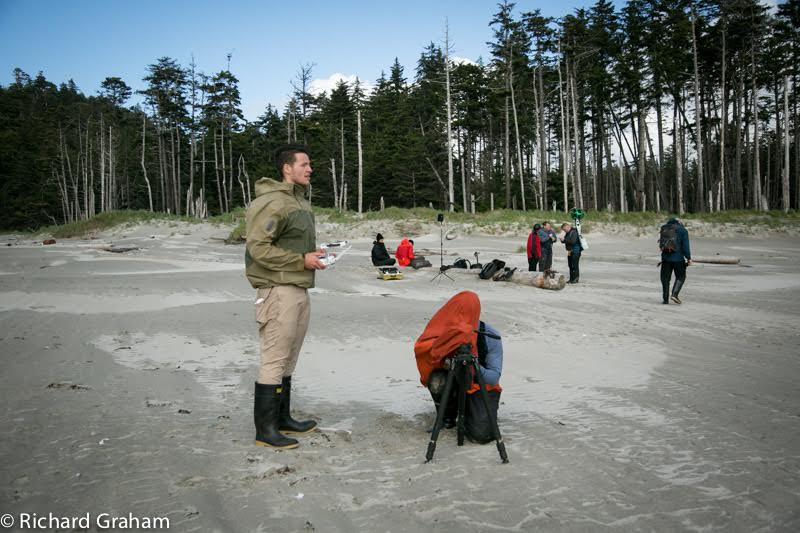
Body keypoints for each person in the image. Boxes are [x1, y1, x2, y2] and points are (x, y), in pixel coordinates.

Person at [245, 144, 325, 449]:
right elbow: (258, 248)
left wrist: (312, 256)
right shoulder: (273, 202)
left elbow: (291, 247)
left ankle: (282, 419)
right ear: (286, 168)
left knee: (288, 359)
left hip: (298, 288)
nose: (309, 169)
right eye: (304, 164)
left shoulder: (299, 202)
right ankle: (265, 431)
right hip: (278, 290)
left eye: (310, 164)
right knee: (274, 358)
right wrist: (299, 261)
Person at [414, 291, 503, 444]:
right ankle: (446, 417)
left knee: (480, 435)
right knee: (437, 379)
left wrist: (474, 366)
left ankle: (472, 412)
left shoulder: (489, 335)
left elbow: (494, 377)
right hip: (453, 381)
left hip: (479, 385)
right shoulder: (444, 333)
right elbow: (425, 354)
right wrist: (444, 356)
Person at [659, 217, 692, 304]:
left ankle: (665, 299)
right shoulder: (683, 230)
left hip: (665, 259)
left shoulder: (664, 228)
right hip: (678, 259)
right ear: (679, 222)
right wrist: (689, 258)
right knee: (681, 276)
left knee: (665, 279)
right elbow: (685, 246)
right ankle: (674, 294)